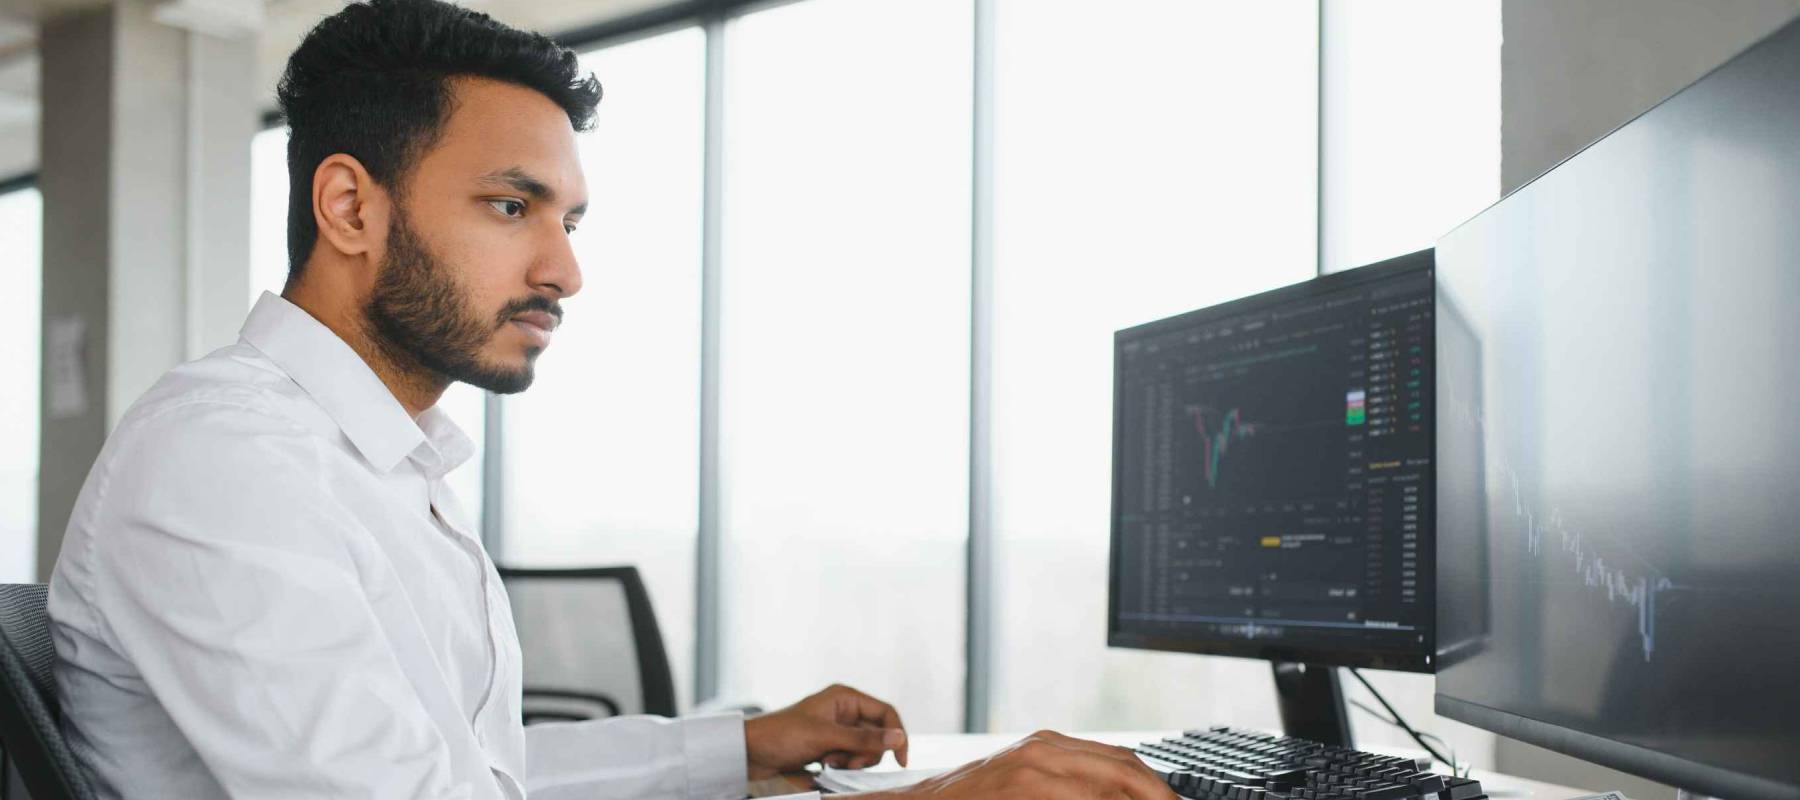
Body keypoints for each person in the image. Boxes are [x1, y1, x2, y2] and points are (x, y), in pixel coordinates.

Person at [45, 1, 1178, 798]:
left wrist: (735, 748)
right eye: (510, 206)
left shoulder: (362, 460)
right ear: (349, 206)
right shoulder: (227, 461)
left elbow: (468, 775)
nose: (563, 269)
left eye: (569, 221)